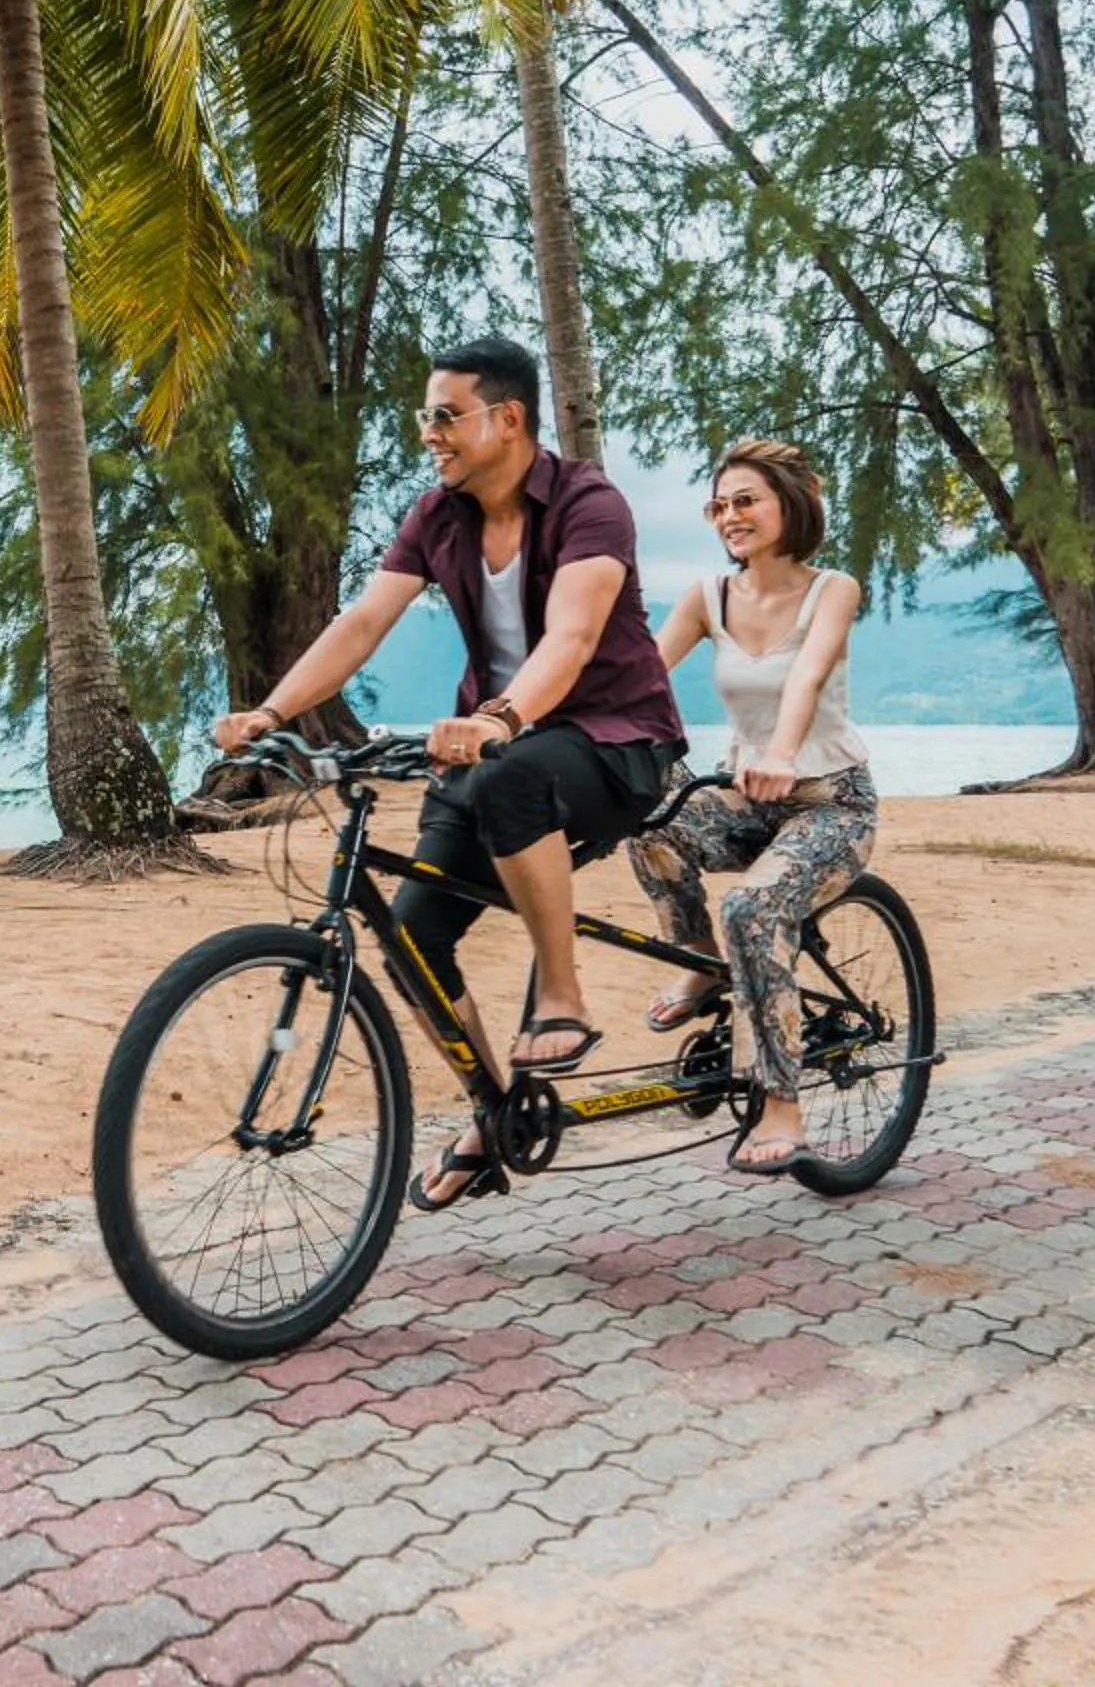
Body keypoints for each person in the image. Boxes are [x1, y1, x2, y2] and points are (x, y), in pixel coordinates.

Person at [209, 335, 685, 1208]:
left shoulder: (588, 502)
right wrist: (272, 712)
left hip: (616, 745)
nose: (429, 433)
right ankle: (496, 1113)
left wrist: (498, 717)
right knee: (414, 940)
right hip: (495, 752)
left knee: (510, 776)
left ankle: (562, 997)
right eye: (423, 416)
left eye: (444, 415)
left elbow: (573, 638)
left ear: (507, 420)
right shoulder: (438, 515)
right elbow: (362, 622)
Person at [628, 439, 877, 1176]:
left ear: (789, 506)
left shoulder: (833, 588)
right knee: (650, 825)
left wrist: (780, 753)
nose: (729, 516)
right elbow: (638, 674)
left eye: (745, 500)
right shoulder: (707, 597)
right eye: (718, 504)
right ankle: (700, 959)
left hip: (832, 805)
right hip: (749, 800)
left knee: (753, 910)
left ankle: (782, 1103)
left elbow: (805, 677)